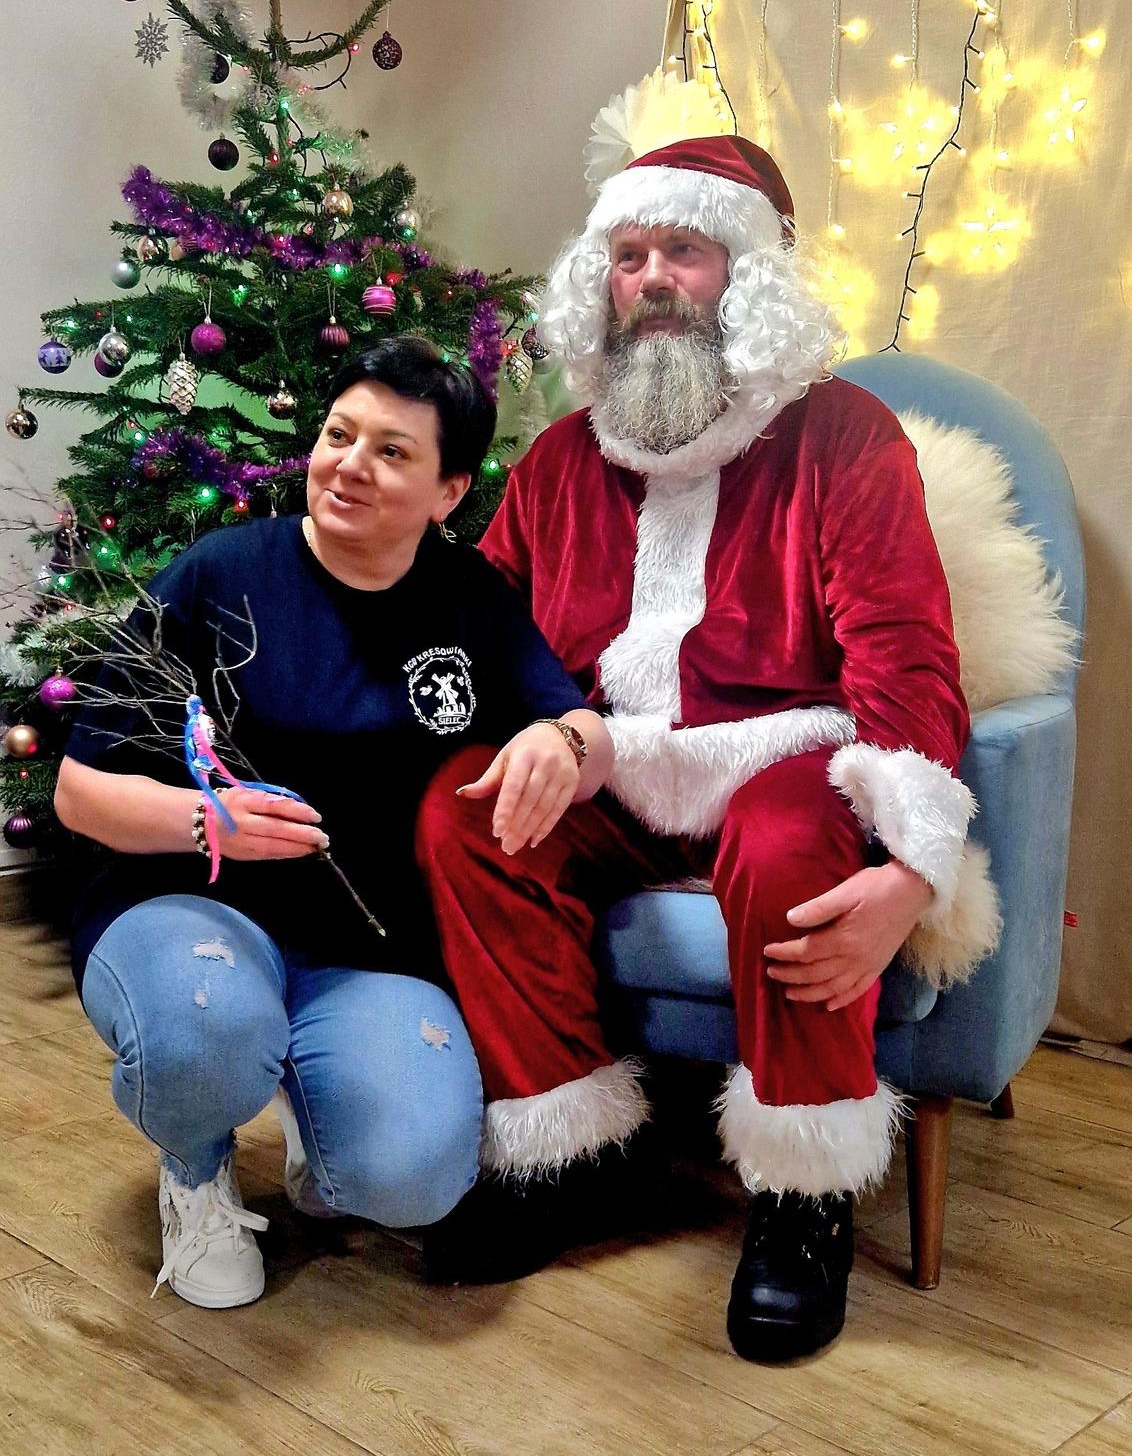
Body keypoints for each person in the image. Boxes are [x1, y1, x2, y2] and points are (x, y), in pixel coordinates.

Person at [415, 135, 1001, 1362]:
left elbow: (907, 658)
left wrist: (912, 868)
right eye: (630, 254)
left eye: (684, 248)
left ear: (747, 273)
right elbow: (495, 632)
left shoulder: (844, 435)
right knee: (467, 809)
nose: (653, 279)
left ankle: (802, 1194)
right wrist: (539, 732)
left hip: (782, 760)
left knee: (788, 838)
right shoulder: (564, 457)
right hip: (613, 767)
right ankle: (574, 1151)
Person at [55, 334, 610, 1311]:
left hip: (364, 946)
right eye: (338, 435)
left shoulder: (469, 596)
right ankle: (195, 1167)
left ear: (448, 492)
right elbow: (77, 790)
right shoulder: (220, 573)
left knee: (411, 1179)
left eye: (392, 451)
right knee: (204, 1032)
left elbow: (576, 726)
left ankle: (319, 1104)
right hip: (187, 906)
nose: (349, 464)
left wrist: (562, 739)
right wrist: (206, 821)